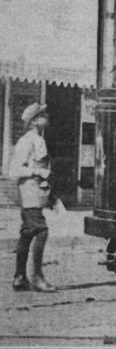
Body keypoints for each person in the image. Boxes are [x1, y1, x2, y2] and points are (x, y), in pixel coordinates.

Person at [11, 103, 56, 292]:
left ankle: (20, 277)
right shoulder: (28, 141)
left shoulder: (38, 139)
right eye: (42, 114)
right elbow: (14, 169)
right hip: (29, 192)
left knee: (28, 232)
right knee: (41, 231)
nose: (46, 116)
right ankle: (37, 277)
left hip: (35, 192)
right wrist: (36, 171)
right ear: (34, 121)